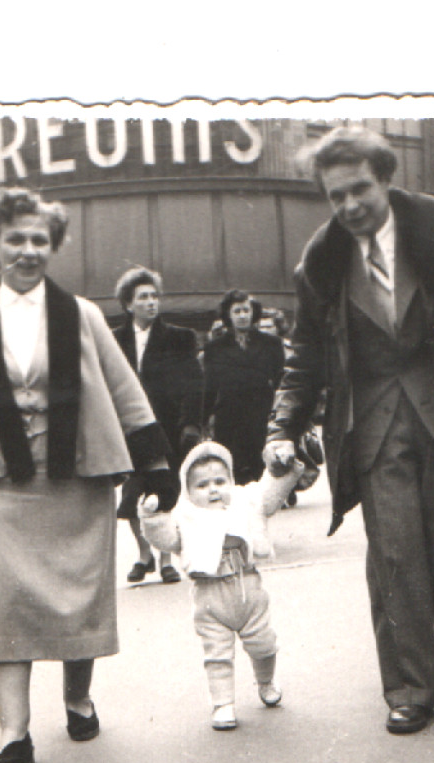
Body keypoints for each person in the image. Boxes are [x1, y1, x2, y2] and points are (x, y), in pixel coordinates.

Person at [0, 188, 176, 763]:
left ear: (52, 245)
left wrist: (154, 463)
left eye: (39, 239)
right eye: (15, 239)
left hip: (77, 476)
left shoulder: (81, 314)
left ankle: (78, 699)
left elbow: (123, 388)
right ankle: (14, 734)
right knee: (2, 606)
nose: (28, 251)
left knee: (75, 595)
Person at [264, 125, 434, 735]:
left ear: (386, 179)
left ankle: (404, 629)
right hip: (373, 425)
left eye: (360, 189)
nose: (351, 205)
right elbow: (304, 355)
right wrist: (284, 425)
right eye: (337, 196)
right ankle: (410, 685)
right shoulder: (321, 264)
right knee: (396, 552)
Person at [138, 440, 304, 731]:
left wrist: (280, 471)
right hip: (210, 594)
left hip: (248, 587)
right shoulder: (185, 516)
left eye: (219, 481)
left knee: (264, 644)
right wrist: (152, 518)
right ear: (188, 491)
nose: (213, 489)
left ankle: (266, 681)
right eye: (202, 485)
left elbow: (269, 493)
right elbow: (166, 538)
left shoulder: (245, 501)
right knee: (217, 653)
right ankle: (222, 704)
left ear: (231, 480)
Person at [113, 266, 204, 584]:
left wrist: (191, 424)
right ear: (128, 304)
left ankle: (165, 558)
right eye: (143, 297)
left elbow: (194, 384)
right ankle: (143, 555)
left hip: (166, 428)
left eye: (154, 296)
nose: (151, 302)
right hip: (129, 430)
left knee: (164, 490)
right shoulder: (114, 341)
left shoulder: (179, 338)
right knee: (133, 493)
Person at [202, 289, 285, 486]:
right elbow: (209, 385)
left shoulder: (271, 343)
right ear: (228, 315)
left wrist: (281, 412)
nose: (242, 316)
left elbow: (281, 380)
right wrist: (204, 419)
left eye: (246, 310)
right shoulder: (215, 348)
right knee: (235, 467)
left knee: (261, 465)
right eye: (237, 311)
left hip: (262, 413)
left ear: (253, 312)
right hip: (229, 416)